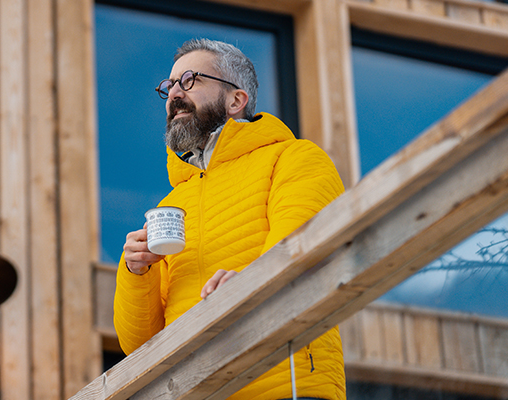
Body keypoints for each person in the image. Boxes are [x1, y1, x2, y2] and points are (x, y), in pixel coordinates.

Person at [113, 38, 346, 400]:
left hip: (284, 384)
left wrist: (249, 284)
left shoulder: (295, 158)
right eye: (170, 86)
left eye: (190, 80)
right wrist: (136, 272)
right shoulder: (172, 204)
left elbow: (306, 251)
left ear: (236, 100)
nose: (175, 93)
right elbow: (137, 345)